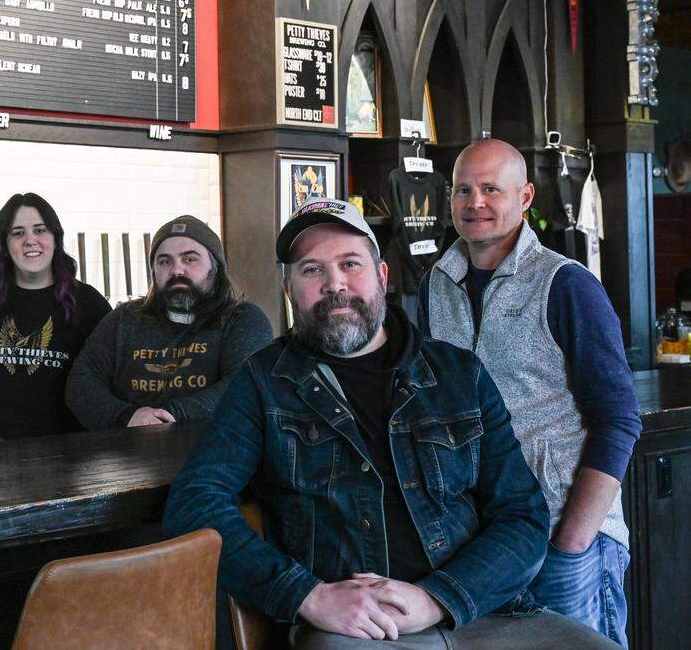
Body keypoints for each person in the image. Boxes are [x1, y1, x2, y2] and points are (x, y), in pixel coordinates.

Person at [164, 198, 615, 648]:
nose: (334, 284)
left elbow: (522, 514)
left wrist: (438, 598)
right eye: (311, 270)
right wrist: (306, 595)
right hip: (354, 627)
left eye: (350, 264)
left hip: (482, 612)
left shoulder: (459, 374)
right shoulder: (264, 382)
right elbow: (194, 502)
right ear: (288, 287)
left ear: (382, 276)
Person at [418, 139, 641, 646]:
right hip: (484, 546)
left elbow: (619, 420)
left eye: (491, 189)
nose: (474, 202)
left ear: (525, 197)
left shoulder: (566, 285)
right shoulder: (435, 284)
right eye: (462, 190)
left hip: (566, 536)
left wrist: (573, 541)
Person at [66, 214, 272, 429]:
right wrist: (125, 416)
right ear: (154, 272)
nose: (176, 270)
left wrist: (169, 416)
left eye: (190, 259)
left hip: (214, 454)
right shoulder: (123, 320)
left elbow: (245, 387)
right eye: (164, 261)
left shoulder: (243, 320)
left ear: (215, 266)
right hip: (127, 454)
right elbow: (81, 382)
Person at [0, 193, 111, 441]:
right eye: (18, 233)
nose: (30, 240)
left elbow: (110, 374)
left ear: (55, 238)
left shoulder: (87, 302)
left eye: (40, 230)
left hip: (64, 448)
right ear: (4, 244)